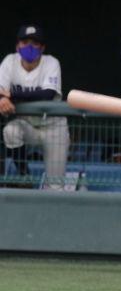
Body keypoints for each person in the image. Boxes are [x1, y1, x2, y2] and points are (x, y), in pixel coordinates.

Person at [0, 25, 69, 191]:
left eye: (35, 43)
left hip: (54, 128)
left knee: (55, 186)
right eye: (25, 42)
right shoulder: (10, 61)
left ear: (42, 47)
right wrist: (2, 98)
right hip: (27, 125)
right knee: (11, 132)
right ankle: (25, 174)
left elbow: (47, 94)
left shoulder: (51, 62)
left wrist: (10, 95)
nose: (29, 47)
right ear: (17, 46)